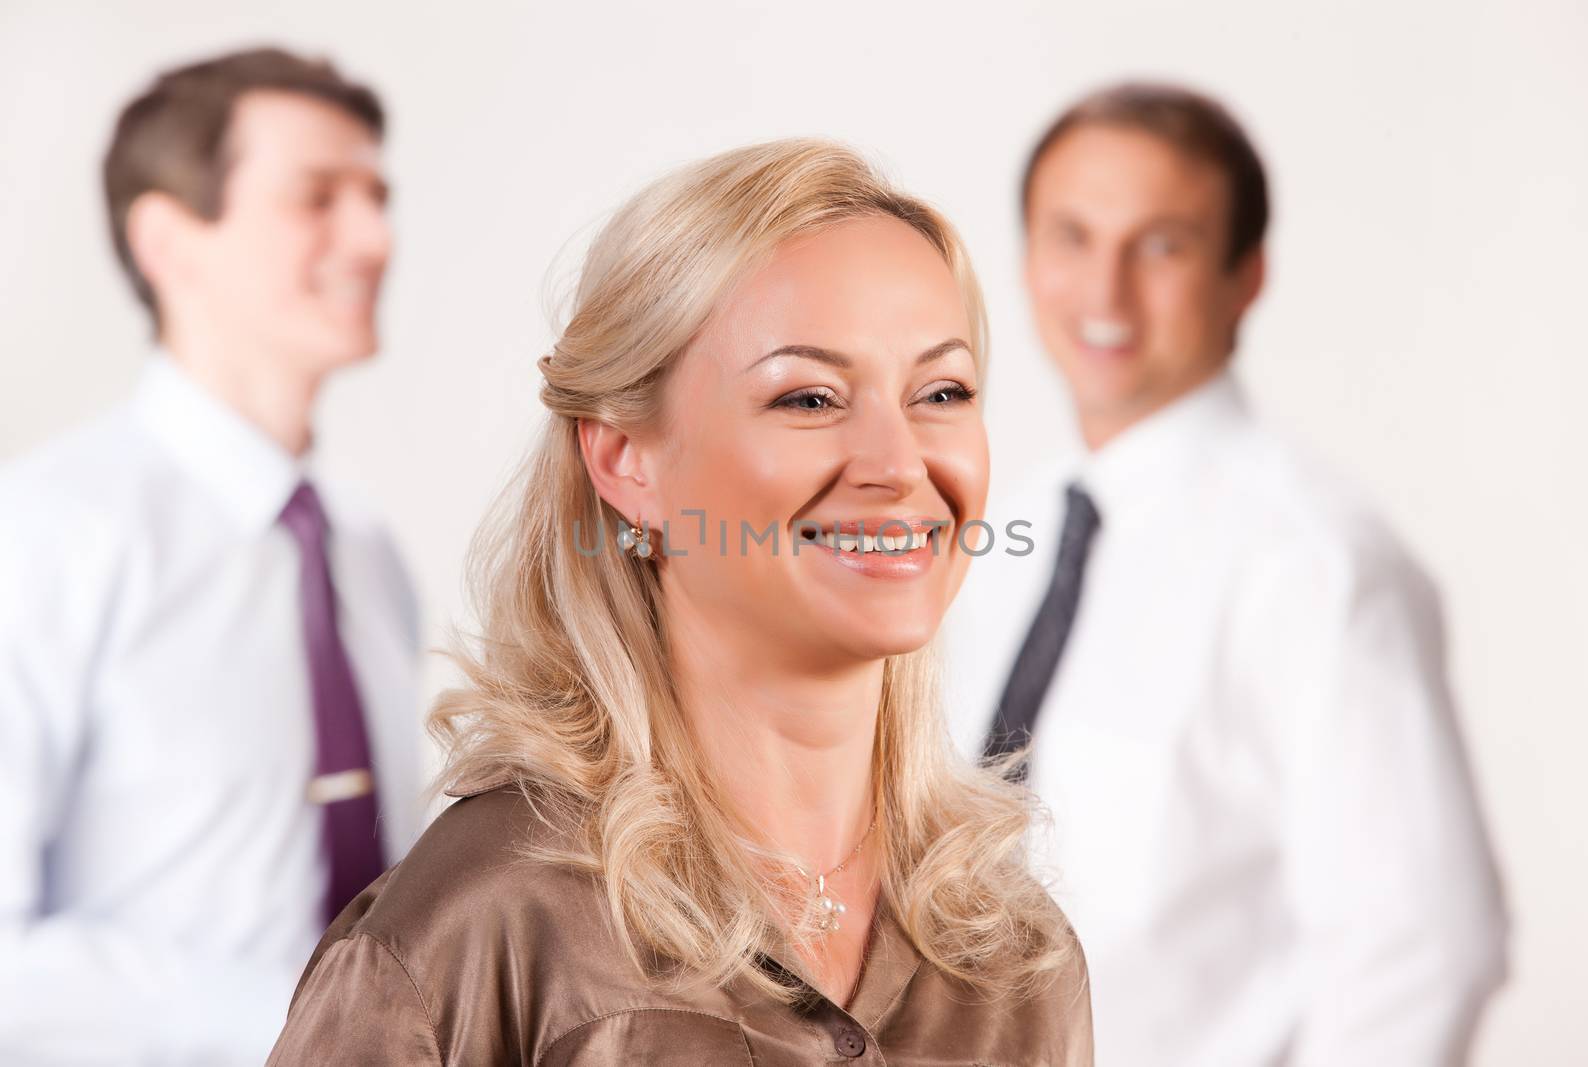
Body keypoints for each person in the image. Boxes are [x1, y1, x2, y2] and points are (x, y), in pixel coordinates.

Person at [266, 138, 1094, 1065]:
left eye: (941, 391)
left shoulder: (1017, 959)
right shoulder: (474, 934)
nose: (900, 466)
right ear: (626, 460)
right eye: (811, 398)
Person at [943, 82, 1509, 1066]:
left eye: (1160, 245)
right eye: (1071, 236)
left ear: (1244, 275)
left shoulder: (1314, 563)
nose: (1104, 291)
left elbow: (1426, 943)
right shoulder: (1004, 530)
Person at [0, 47, 421, 1064]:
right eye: (317, 197)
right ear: (167, 239)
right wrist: (304, 1019)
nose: (373, 237)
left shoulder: (367, 551)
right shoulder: (46, 535)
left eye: (376, 195)